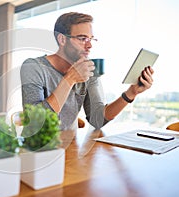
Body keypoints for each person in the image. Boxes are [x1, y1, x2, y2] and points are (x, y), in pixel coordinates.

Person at [20, 12, 154, 131]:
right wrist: (70, 78)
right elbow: (34, 122)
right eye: (82, 38)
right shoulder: (33, 66)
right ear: (62, 39)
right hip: (37, 151)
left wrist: (131, 93)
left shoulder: (89, 70)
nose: (89, 45)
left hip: (71, 149)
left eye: (91, 39)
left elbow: (97, 119)